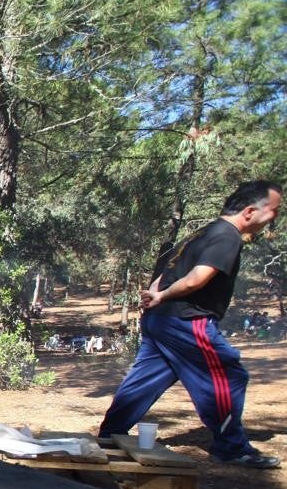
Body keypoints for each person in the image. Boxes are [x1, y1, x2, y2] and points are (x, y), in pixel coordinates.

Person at [98, 180, 282, 468]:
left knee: (144, 379)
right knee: (229, 376)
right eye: (274, 211)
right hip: (187, 321)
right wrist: (161, 296)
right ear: (249, 211)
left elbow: (165, 269)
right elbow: (197, 278)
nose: (274, 218)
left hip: (161, 321)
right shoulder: (228, 236)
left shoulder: (203, 232)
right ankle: (232, 448)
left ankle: (109, 435)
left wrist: (155, 296)